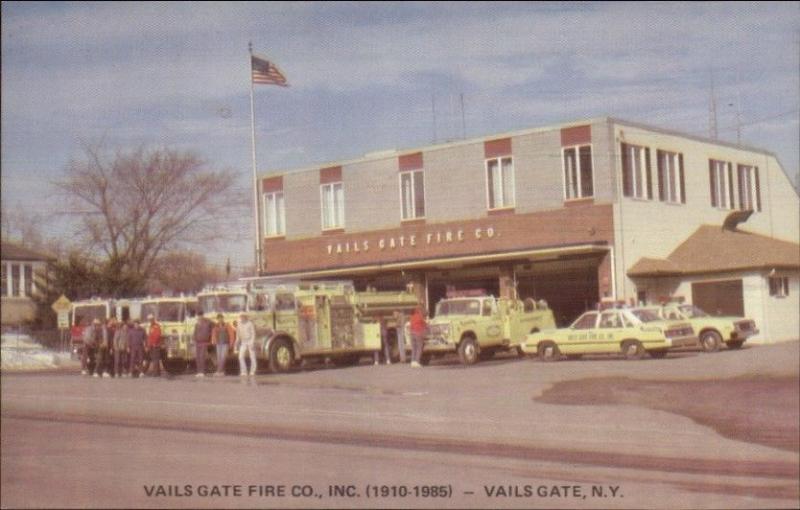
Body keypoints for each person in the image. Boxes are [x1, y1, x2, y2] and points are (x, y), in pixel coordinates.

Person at [193, 310, 213, 377]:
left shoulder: (208, 322)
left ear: (202, 315)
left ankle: (202, 371)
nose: (199, 317)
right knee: (197, 357)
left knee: (202, 357)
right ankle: (198, 371)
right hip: (197, 342)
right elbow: (195, 332)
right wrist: (194, 338)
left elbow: (213, 326)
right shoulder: (197, 324)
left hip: (204, 342)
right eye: (198, 316)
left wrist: (209, 336)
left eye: (200, 315)